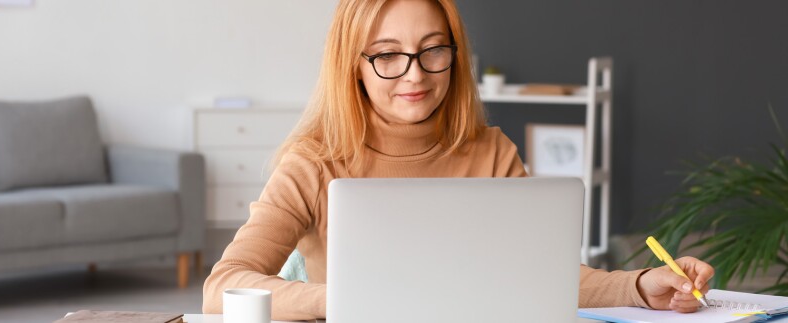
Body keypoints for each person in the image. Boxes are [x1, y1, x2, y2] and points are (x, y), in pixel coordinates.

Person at [202, 0, 715, 320]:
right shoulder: (313, 164)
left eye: (433, 50)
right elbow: (222, 288)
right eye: (386, 55)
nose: (415, 75)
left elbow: (544, 276)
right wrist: (339, 300)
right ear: (352, 67)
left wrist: (642, 286)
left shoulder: (493, 152)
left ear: (454, 54)